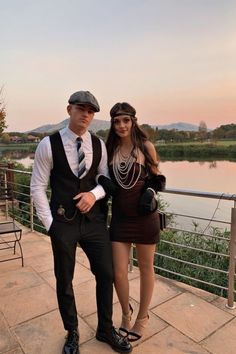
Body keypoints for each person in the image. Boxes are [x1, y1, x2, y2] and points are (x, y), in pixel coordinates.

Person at [30, 91, 132, 354]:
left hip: (94, 222)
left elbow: (105, 180)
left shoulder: (97, 145)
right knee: (65, 279)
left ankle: (105, 329)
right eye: (81, 108)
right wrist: (50, 224)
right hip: (62, 223)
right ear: (69, 110)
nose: (86, 114)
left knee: (106, 273)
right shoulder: (48, 144)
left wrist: (93, 194)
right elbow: (38, 187)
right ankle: (72, 331)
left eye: (91, 110)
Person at [105, 102, 166, 342]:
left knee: (145, 268)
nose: (121, 125)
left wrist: (150, 193)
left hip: (144, 219)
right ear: (112, 124)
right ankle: (125, 314)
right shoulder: (109, 149)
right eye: (117, 121)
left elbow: (157, 178)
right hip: (120, 219)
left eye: (125, 120)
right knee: (118, 272)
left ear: (133, 121)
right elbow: (101, 176)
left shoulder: (146, 147)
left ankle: (142, 318)